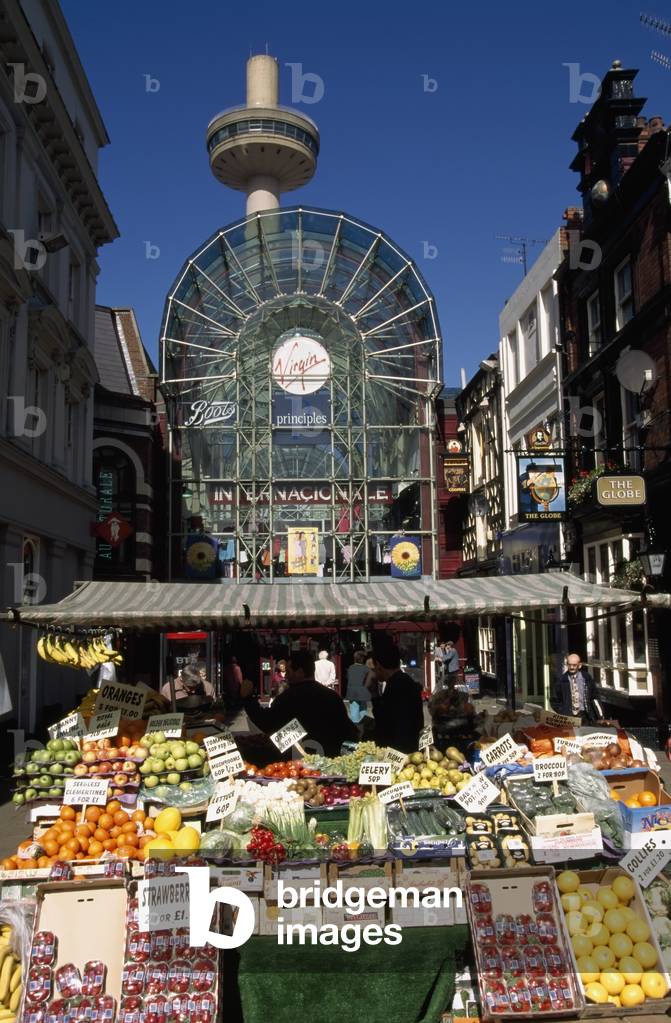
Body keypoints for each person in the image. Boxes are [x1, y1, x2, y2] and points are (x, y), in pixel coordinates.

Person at [240, 649, 356, 756]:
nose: (287, 676)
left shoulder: (289, 697)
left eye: (289, 672)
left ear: (300, 672)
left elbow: (268, 723)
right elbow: (347, 732)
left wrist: (248, 699)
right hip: (332, 759)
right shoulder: (332, 696)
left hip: (297, 763)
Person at [371, 638, 423, 753]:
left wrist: (374, 695)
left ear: (378, 665)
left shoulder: (395, 685)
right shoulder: (404, 680)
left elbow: (384, 720)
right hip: (410, 747)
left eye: (374, 667)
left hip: (400, 751)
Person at [551, 653, 599, 723]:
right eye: (569, 665)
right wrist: (563, 711)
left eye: (574, 665)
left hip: (585, 715)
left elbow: (595, 696)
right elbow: (554, 700)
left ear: (579, 665)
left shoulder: (586, 678)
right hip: (569, 717)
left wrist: (597, 715)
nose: (571, 667)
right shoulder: (561, 680)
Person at [346, 651, 370, 724]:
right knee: (363, 711)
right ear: (362, 659)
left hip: (352, 693)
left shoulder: (350, 668)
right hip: (362, 692)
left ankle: (356, 728)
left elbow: (348, 678)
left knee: (354, 712)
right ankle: (362, 728)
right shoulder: (366, 669)